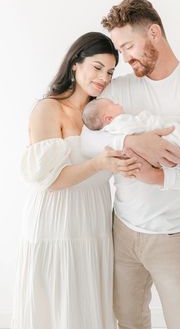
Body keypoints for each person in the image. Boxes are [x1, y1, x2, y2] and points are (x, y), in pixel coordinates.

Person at [80, 0, 180, 329]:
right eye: (120, 50)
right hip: (124, 231)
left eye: (129, 46)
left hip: (176, 237)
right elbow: (85, 138)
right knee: (129, 321)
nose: (124, 58)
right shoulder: (118, 90)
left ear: (154, 33)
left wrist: (156, 177)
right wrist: (131, 141)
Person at [11, 32, 141, 329]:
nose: (103, 78)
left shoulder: (102, 116)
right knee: (58, 301)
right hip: (57, 218)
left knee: (87, 299)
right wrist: (98, 164)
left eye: (109, 72)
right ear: (75, 64)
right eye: (97, 67)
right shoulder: (49, 108)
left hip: (92, 219)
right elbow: (48, 180)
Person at [82, 97, 180, 173]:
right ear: (108, 118)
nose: (118, 102)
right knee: (173, 135)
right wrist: (145, 120)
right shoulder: (119, 122)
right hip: (152, 133)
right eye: (113, 103)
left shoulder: (112, 128)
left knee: (174, 138)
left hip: (153, 139)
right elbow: (137, 128)